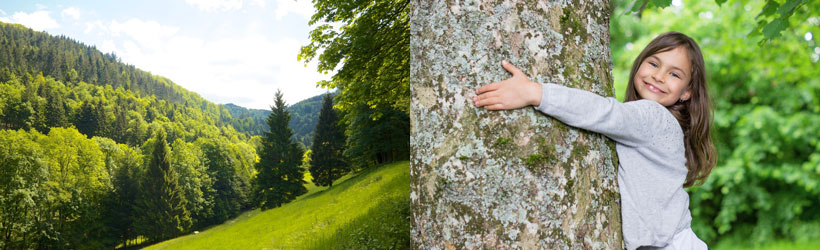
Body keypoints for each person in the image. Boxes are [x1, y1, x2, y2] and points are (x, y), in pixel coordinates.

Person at [472, 32, 716, 250]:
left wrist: (536, 93)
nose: (659, 76)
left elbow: (603, 112)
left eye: (674, 74)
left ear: (686, 92)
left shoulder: (655, 117)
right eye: (653, 63)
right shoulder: (659, 123)